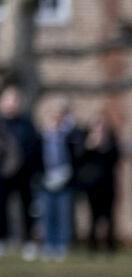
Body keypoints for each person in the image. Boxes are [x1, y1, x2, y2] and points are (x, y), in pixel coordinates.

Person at [33, 102, 79, 262]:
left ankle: (61, 245)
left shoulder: (68, 136)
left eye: (58, 119)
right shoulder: (41, 138)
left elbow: (77, 147)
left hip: (65, 181)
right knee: (48, 215)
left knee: (63, 215)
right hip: (45, 181)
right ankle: (49, 244)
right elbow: (34, 159)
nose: (54, 122)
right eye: (51, 119)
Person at [0, 86, 41, 256]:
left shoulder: (27, 124)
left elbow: (36, 148)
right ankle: (2, 240)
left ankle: (29, 242)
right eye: (9, 100)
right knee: (1, 208)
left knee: (27, 209)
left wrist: (36, 170)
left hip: (25, 174)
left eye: (15, 100)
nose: (12, 104)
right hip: (2, 175)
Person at [73, 115, 120, 253]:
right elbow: (79, 158)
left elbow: (116, 159)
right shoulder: (86, 141)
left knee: (109, 216)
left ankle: (110, 245)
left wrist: (105, 147)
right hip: (92, 185)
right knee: (93, 215)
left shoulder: (111, 142)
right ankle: (92, 245)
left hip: (108, 184)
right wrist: (89, 146)